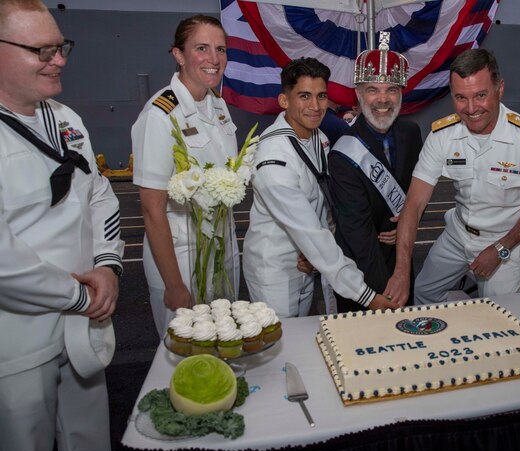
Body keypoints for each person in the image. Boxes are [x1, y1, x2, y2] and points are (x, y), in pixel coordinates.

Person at [0, 1, 124, 451]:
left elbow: (98, 195)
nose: (60, 60)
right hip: (16, 338)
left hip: (83, 321)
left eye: (60, 47)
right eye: (42, 50)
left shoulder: (65, 120)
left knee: (90, 446)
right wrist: (76, 295)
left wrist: (108, 266)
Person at [385, 48, 520, 306]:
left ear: (499, 90)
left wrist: (501, 248)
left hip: (506, 240)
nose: (471, 108)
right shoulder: (443, 134)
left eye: (480, 95)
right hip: (457, 235)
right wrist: (401, 270)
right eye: (460, 98)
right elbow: (414, 203)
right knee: (422, 291)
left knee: (497, 316)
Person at [243, 57, 396, 318]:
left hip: (308, 260)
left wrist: (312, 254)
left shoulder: (318, 138)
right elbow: (310, 232)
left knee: (303, 339)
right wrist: (365, 295)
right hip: (275, 270)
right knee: (280, 344)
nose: (315, 106)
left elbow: (324, 206)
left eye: (321, 96)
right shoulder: (274, 157)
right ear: (284, 100)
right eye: (304, 96)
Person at [132, 15, 240, 338]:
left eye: (220, 49)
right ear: (178, 55)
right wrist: (174, 283)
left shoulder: (218, 107)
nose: (214, 59)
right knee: (183, 360)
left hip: (221, 252)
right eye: (202, 48)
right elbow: (152, 209)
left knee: (222, 346)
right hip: (181, 257)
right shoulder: (160, 114)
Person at [329, 33, 423, 311]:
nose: (383, 99)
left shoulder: (411, 133)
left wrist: (408, 223)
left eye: (391, 89)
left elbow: (419, 192)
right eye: (373, 90)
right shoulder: (342, 154)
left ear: (401, 94)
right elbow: (356, 232)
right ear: (358, 95)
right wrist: (386, 293)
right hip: (360, 274)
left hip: (402, 260)